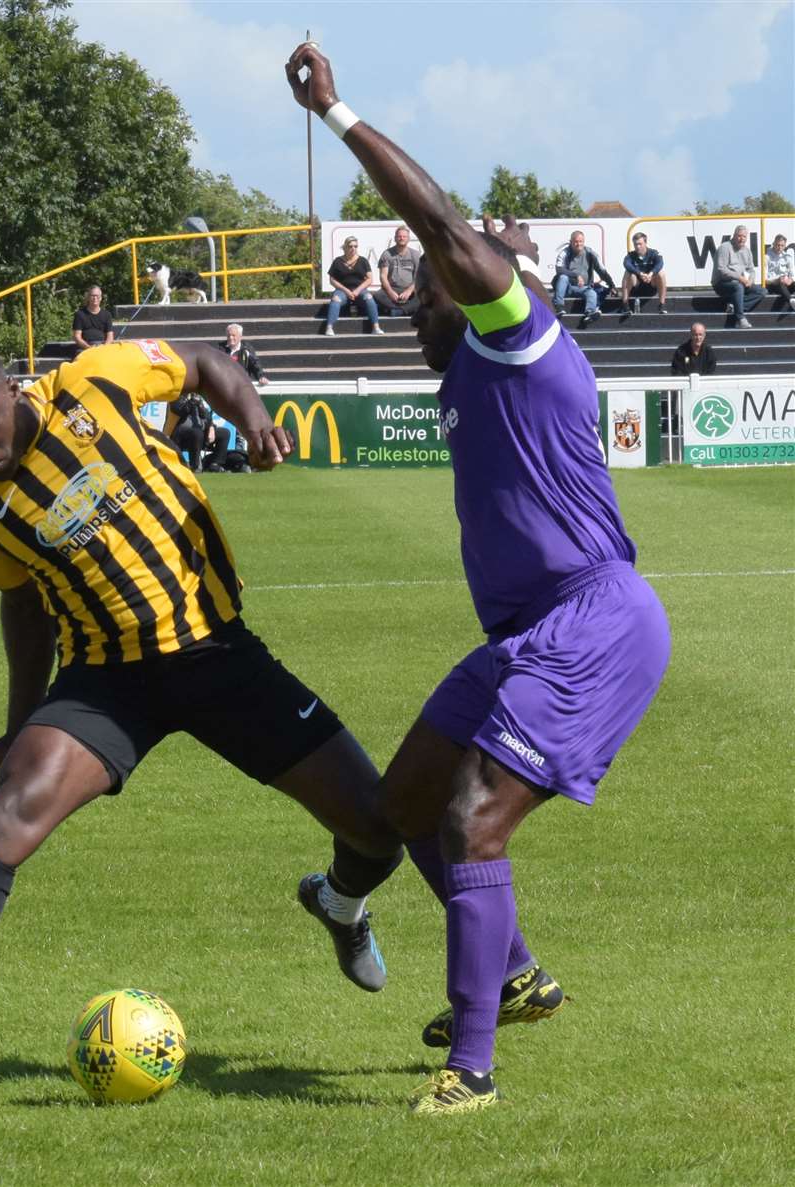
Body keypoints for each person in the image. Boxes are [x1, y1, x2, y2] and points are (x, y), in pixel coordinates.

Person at [0, 334, 406, 1085]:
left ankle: (339, 902)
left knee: (378, 827)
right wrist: (17, 728)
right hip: (107, 680)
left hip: (217, 655)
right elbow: (26, 607)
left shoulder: (97, 381)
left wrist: (254, 417)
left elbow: (203, 364)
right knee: (5, 817)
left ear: (11, 389)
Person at [287, 42, 670, 1118]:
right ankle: (514, 971)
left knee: (470, 820)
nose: (417, 290)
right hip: (528, 631)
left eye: (437, 281)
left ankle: (475, 1064)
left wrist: (338, 111)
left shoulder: (522, 338)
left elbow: (450, 233)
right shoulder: (465, 369)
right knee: (398, 801)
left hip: (595, 619)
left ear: (496, 286)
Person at [552, 230, 617, 326]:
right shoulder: (564, 253)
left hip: (582, 287)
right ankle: (559, 306)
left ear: (584, 241)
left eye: (581, 241)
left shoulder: (590, 253)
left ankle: (589, 313)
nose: (578, 244)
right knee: (563, 277)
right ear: (571, 242)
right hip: (567, 287)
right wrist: (576, 276)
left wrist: (612, 285)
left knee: (592, 293)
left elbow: (601, 270)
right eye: (576, 242)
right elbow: (559, 269)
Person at [324, 235, 384, 335]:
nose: (353, 248)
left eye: (355, 246)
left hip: (360, 291)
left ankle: (376, 327)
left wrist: (357, 290)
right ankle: (329, 327)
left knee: (369, 297)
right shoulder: (337, 261)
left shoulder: (363, 261)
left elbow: (370, 279)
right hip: (342, 291)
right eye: (350, 246)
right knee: (335, 299)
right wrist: (346, 291)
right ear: (345, 247)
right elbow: (332, 280)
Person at [711, 225, 764, 328]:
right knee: (738, 286)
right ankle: (740, 318)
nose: (741, 239)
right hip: (722, 283)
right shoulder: (725, 247)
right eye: (739, 236)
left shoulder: (747, 251)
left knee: (762, 291)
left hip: (741, 283)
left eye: (744, 236)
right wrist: (740, 278)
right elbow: (722, 270)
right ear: (734, 236)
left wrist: (750, 280)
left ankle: (735, 306)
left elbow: (751, 270)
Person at [373, 225, 421, 317]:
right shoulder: (387, 254)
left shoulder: (415, 255)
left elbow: (418, 276)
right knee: (377, 296)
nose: (401, 238)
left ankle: (399, 311)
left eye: (404, 236)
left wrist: (409, 291)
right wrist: (390, 292)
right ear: (395, 238)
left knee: (423, 297)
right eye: (399, 236)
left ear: (408, 239)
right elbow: (383, 276)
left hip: (409, 289)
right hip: (392, 288)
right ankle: (406, 309)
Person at [619, 231, 668, 314]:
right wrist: (640, 273)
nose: (637, 246)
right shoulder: (630, 255)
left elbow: (660, 263)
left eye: (640, 244)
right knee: (627, 272)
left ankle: (662, 305)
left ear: (645, 243)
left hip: (651, 284)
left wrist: (651, 274)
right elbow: (626, 264)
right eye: (635, 244)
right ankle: (625, 305)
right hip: (636, 285)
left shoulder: (654, 253)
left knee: (661, 273)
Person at [169, 389, 212, 471]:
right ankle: (195, 466)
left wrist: (211, 427)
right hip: (178, 432)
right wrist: (191, 402)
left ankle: (215, 464)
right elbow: (179, 411)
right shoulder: (176, 396)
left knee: (224, 433)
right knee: (197, 433)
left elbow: (206, 416)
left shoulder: (197, 398)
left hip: (198, 429)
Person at [70, 285, 114, 354]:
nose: (95, 298)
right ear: (88, 297)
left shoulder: (107, 315)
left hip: (102, 347)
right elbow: (77, 336)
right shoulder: (79, 314)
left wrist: (104, 348)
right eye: (92, 295)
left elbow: (110, 337)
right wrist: (88, 348)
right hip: (85, 348)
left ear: (101, 298)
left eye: (97, 296)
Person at [764, 233, 795, 310]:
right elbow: (764, 279)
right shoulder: (766, 257)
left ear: (785, 246)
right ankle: (791, 300)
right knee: (780, 283)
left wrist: (790, 280)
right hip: (773, 285)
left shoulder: (787, 257)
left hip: (786, 284)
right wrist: (776, 280)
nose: (779, 247)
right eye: (778, 245)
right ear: (773, 244)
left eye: (782, 245)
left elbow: (793, 274)